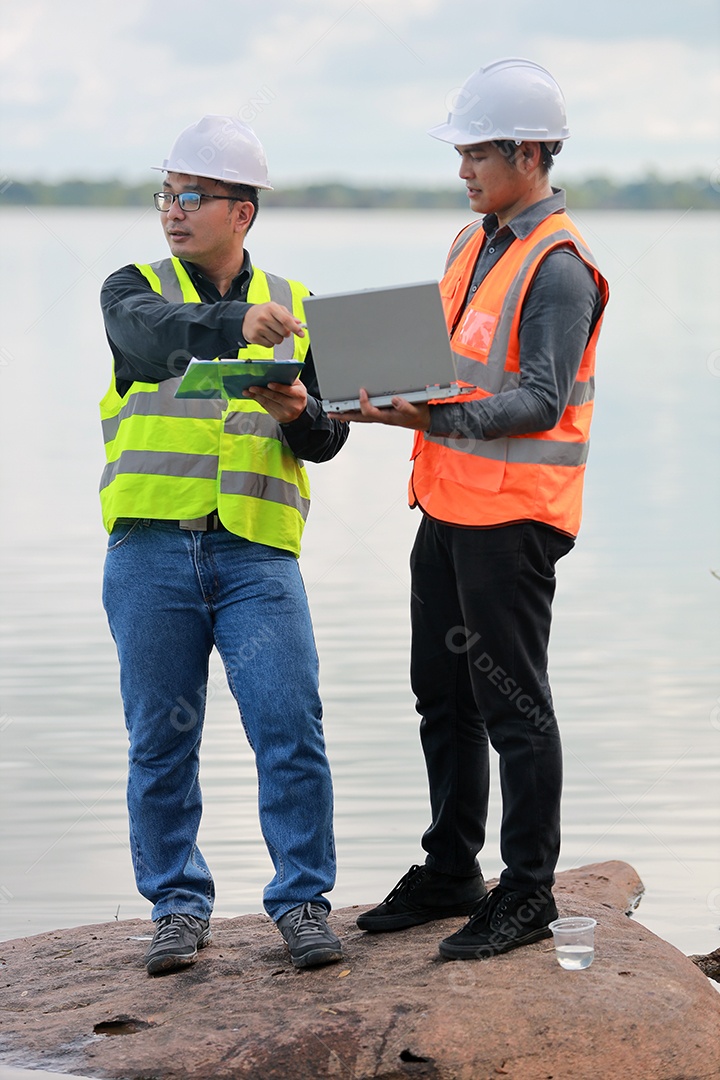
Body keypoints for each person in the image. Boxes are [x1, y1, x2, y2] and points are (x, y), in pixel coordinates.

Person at [337, 59, 609, 960]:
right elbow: (444, 365)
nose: (462, 172)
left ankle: (528, 892)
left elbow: (541, 399)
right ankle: (453, 868)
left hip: (514, 519)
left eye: (476, 155)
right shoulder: (472, 242)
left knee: (514, 708)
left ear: (528, 154)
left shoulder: (559, 266)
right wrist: (361, 383)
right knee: (442, 696)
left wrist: (433, 417)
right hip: (447, 506)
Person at [99, 115, 349, 974]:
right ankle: (177, 906)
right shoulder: (133, 288)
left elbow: (327, 437)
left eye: (193, 196)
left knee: (290, 728)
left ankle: (303, 902)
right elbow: (152, 338)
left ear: (241, 212)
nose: (173, 210)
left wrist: (303, 415)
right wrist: (239, 324)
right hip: (150, 551)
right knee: (159, 741)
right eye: (168, 194)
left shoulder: (299, 302)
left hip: (256, 554)